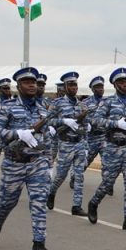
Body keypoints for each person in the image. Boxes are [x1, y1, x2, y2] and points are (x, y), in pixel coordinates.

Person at [0, 67, 56, 250]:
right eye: (27, 82)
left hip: (37, 162)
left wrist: (49, 163)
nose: (32, 85)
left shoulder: (44, 108)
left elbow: (47, 139)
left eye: (34, 82)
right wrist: (18, 134)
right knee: (7, 203)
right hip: (14, 164)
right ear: (18, 85)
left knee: (39, 202)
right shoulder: (7, 107)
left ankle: (39, 244)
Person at [86, 67, 126, 232]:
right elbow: (96, 121)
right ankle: (94, 202)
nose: (125, 85)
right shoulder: (108, 102)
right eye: (122, 82)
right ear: (115, 84)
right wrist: (115, 123)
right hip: (112, 147)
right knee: (107, 183)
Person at [46, 71, 89, 216]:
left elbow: (85, 125)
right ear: (64, 87)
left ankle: (77, 205)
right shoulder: (57, 103)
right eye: (70, 84)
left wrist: (85, 128)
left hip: (80, 143)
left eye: (75, 84)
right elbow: (48, 121)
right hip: (66, 144)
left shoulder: (82, 105)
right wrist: (64, 121)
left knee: (79, 175)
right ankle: (51, 192)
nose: (73, 87)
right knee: (61, 175)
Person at [78, 76, 106, 190]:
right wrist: (88, 123)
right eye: (98, 87)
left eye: (102, 87)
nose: (101, 89)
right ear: (93, 89)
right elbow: (81, 118)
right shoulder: (85, 102)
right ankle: (76, 177)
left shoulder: (108, 101)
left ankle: (106, 184)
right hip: (91, 137)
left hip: (104, 137)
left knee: (107, 163)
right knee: (86, 161)